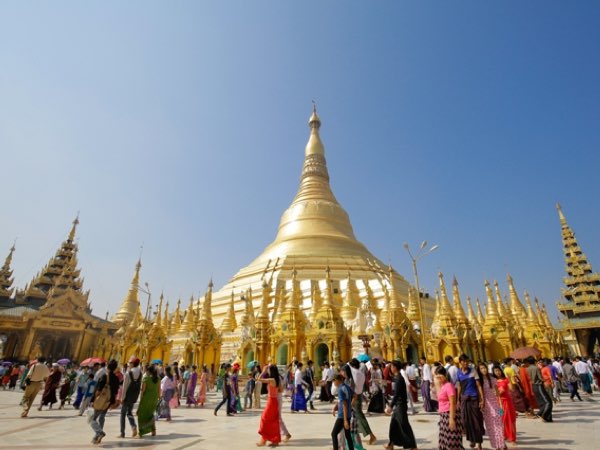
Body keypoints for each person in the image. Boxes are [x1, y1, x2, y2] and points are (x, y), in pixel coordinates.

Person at [384, 360, 418, 450]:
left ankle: (413, 446)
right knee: (393, 425)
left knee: (404, 425)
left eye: (391, 366)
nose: (391, 368)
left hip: (400, 405)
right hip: (398, 405)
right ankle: (391, 444)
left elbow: (397, 394)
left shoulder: (399, 378)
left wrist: (390, 406)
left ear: (395, 367)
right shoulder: (397, 377)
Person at [455, 354, 484, 450]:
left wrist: (482, 399)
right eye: (463, 361)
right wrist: (458, 400)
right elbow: (459, 386)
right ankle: (472, 439)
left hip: (473, 398)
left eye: (467, 361)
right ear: (460, 363)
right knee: (465, 420)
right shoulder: (458, 372)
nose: (466, 363)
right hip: (464, 399)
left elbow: (479, 385)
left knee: (476, 421)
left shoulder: (473, 371)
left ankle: (479, 443)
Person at [89, 359, 120, 445]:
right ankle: (97, 437)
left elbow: (98, 390)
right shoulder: (116, 378)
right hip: (109, 401)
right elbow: (116, 391)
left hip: (101, 400)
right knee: (102, 417)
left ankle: (99, 433)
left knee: (92, 419)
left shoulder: (104, 376)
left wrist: (93, 400)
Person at [435, 366, 463, 450]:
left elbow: (452, 403)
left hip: (450, 414)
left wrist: (452, 419)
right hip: (443, 416)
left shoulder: (449, 386)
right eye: (437, 375)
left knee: (452, 441)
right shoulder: (442, 385)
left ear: (445, 375)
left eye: (440, 375)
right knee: (445, 440)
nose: (438, 377)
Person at [477, 363, 505, 450]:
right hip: (486, 408)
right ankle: (496, 445)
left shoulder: (493, 379)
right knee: (490, 427)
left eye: (484, 368)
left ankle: (501, 444)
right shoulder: (479, 381)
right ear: (479, 371)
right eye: (481, 369)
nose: (484, 370)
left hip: (495, 405)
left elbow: (497, 394)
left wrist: (501, 406)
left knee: (499, 425)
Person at [349, 358, 377, 444]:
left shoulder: (356, 374)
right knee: (356, 419)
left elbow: (356, 388)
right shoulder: (360, 373)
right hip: (358, 396)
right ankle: (352, 439)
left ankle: (371, 435)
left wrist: (354, 398)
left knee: (359, 418)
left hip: (355, 397)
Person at [257, 365, 282, 447]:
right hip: (274, 401)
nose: (268, 371)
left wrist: (263, 371)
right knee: (273, 421)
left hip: (271, 401)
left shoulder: (271, 380)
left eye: (269, 370)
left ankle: (265, 439)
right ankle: (274, 440)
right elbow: (281, 390)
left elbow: (258, 379)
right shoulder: (277, 379)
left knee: (264, 418)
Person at [493, 365, 516, 445]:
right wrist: (498, 392)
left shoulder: (506, 380)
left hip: (507, 402)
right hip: (498, 403)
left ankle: (512, 438)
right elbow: (493, 392)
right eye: (495, 371)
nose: (497, 372)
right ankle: (505, 435)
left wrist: (511, 380)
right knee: (501, 419)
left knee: (509, 419)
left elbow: (512, 389)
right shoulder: (493, 381)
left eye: (498, 370)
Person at [119, 357, 141, 438]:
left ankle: (122, 433)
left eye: (130, 363)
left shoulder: (128, 373)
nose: (129, 364)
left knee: (123, 414)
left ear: (132, 364)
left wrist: (122, 397)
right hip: (134, 396)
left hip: (127, 396)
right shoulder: (140, 373)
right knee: (129, 413)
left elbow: (125, 386)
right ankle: (133, 426)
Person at [331, 373, 354, 450]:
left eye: (334, 381)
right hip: (348, 414)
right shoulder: (346, 387)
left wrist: (345, 420)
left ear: (338, 380)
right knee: (348, 435)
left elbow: (344, 404)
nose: (333, 383)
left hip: (342, 416)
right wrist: (335, 407)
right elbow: (355, 396)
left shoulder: (340, 389)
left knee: (334, 434)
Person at [526, 356, 552, 422]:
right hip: (539, 385)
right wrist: (547, 379)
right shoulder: (536, 368)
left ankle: (547, 417)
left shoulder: (527, 369)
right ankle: (541, 413)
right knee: (547, 402)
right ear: (534, 361)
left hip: (533, 386)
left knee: (541, 402)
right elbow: (540, 378)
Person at [137, 365, 161, 437]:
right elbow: (159, 390)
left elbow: (143, 391)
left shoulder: (146, 378)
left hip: (146, 398)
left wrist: (141, 400)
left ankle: (141, 432)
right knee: (150, 414)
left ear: (148, 371)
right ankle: (153, 431)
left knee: (142, 415)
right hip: (154, 398)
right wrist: (158, 398)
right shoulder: (158, 379)